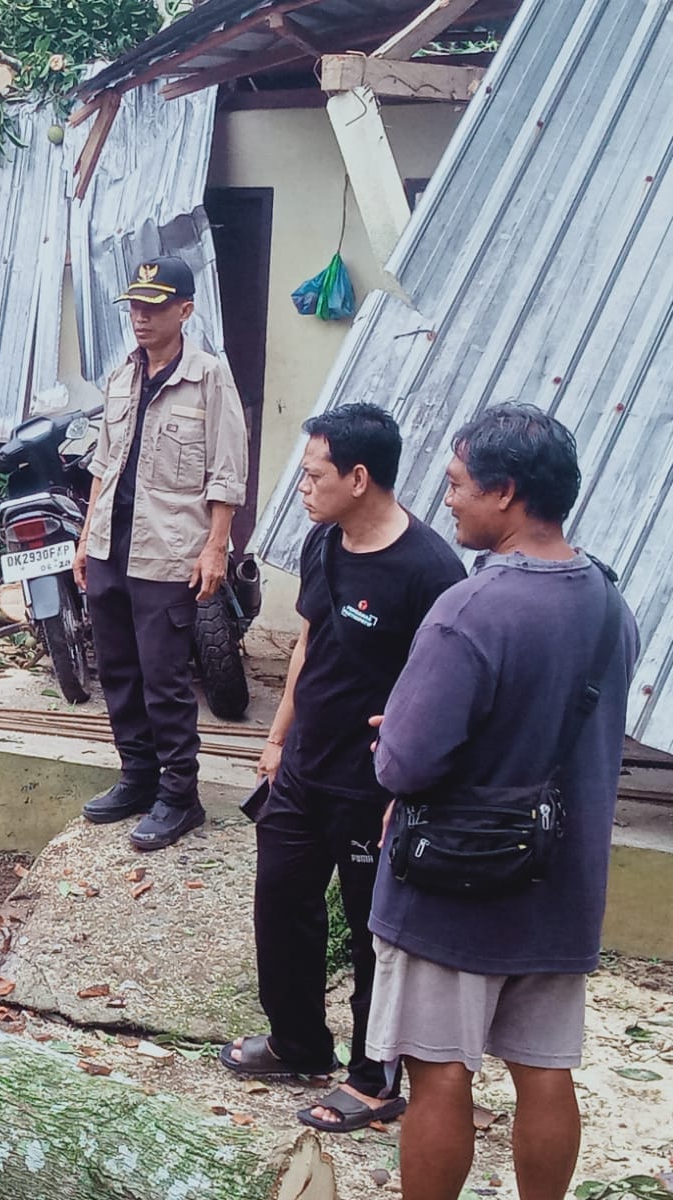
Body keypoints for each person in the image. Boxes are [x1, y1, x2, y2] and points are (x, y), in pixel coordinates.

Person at [366, 404, 638, 1200]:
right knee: (546, 1072)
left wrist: (395, 733)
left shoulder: (471, 608)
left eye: (456, 484)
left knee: (440, 1074)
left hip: (458, 884)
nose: (446, 500)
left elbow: (406, 764)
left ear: (506, 493)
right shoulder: (607, 603)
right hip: (562, 882)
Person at [219, 403, 465, 1132]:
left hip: (374, 784)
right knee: (281, 905)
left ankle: (374, 1075)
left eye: (314, 474)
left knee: (370, 933)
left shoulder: (431, 572)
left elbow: (444, 690)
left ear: (360, 477)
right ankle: (297, 1042)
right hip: (303, 768)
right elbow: (306, 645)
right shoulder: (324, 538)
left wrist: (413, 785)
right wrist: (277, 739)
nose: (302, 486)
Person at [73, 257, 248, 851]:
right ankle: (137, 777)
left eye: (154, 306)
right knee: (116, 670)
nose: (140, 317)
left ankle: (180, 796)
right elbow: (104, 462)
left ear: (185, 310)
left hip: (167, 550)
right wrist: (84, 538)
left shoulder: (209, 377)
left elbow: (226, 470)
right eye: (135, 306)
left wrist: (216, 546)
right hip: (109, 546)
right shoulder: (121, 376)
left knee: (164, 677)